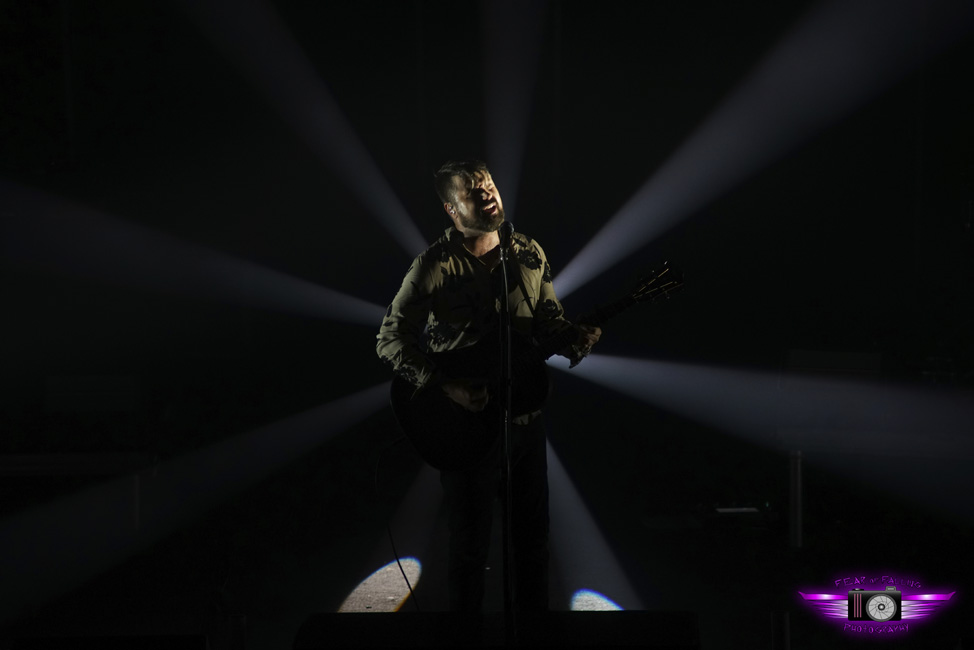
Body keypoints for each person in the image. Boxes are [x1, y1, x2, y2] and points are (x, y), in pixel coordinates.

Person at [376, 160, 600, 612]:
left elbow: (549, 322)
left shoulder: (529, 252)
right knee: (469, 550)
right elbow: (390, 339)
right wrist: (445, 385)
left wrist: (576, 339)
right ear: (451, 208)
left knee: (532, 547)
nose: (488, 194)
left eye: (490, 185)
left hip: (524, 425)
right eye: (474, 192)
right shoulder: (433, 266)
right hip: (466, 431)